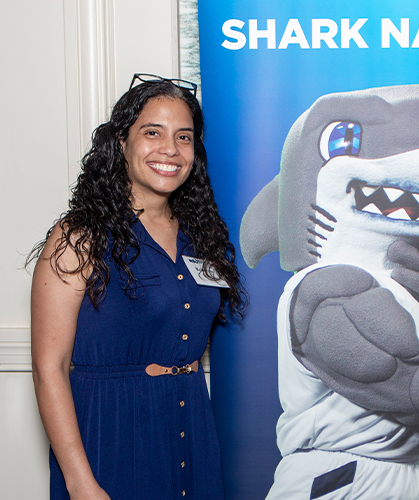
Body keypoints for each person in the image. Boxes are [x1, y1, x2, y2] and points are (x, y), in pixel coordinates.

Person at [29, 74, 246, 500]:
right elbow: (48, 368)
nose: (170, 149)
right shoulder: (79, 236)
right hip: (110, 436)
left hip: (191, 428)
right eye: (153, 133)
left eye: (184, 137)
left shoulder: (203, 238)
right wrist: (80, 482)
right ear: (121, 143)